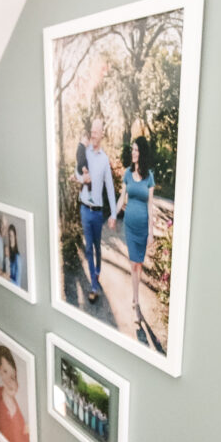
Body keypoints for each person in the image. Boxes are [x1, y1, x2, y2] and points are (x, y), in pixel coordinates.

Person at [113, 136, 155, 322]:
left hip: (143, 228)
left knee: (139, 264)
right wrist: (114, 215)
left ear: (142, 153)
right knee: (133, 264)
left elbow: (150, 205)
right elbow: (122, 198)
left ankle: (135, 298)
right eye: (133, 150)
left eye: (137, 150)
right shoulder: (128, 174)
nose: (134, 153)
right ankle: (136, 302)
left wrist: (151, 232)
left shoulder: (149, 177)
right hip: (130, 226)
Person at [75, 119, 118, 303]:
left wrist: (114, 214)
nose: (93, 134)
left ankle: (97, 271)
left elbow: (109, 187)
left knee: (97, 247)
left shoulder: (104, 159)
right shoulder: (84, 153)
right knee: (88, 247)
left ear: (102, 134)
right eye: (91, 131)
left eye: (96, 132)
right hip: (85, 208)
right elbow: (76, 172)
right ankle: (94, 285)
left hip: (98, 211)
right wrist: (82, 179)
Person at [0, 345, 30, 442]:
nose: (8, 378)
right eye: (4, 371)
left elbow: (26, 438)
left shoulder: (21, 401)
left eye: (12, 375)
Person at [7, 224, 23, 288]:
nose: (10, 239)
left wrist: (7, 279)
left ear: (15, 237)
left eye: (11, 236)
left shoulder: (18, 258)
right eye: (9, 236)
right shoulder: (7, 253)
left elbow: (18, 284)